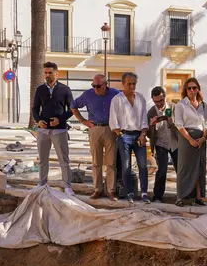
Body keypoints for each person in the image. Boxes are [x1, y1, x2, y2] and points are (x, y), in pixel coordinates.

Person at [72, 74, 120, 201]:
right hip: (95, 129)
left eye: (98, 86)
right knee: (96, 162)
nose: (96, 88)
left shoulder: (115, 94)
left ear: (106, 84)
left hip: (110, 129)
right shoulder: (88, 94)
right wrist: (83, 121)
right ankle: (97, 189)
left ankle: (111, 190)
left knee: (111, 162)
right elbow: (73, 105)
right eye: (93, 86)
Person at [32, 62, 75, 196]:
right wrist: (38, 121)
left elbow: (72, 109)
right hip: (43, 131)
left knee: (64, 160)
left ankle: (67, 186)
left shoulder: (65, 89)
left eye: (50, 73)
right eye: (45, 73)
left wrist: (60, 120)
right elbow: (35, 108)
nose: (47, 75)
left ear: (57, 74)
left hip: (59, 130)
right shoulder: (40, 89)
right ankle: (42, 183)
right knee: (42, 160)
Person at [109, 72, 150, 204]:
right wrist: (121, 135)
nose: (132, 86)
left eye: (134, 83)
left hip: (139, 135)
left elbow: (144, 119)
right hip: (124, 135)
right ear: (123, 84)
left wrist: (143, 134)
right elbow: (113, 122)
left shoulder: (141, 98)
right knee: (126, 166)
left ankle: (144, 193)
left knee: (143, 165)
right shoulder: (117, 99)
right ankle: (129, 193)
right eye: (129, 84)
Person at [174, 77, 207, 207]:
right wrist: (190, 139)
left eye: (194, 88)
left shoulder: (203, 105)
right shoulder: (180, 105)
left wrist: (203, 138)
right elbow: (179, 124)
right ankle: (180, 196)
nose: (192, 90)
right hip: (186, 138)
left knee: (199, 168)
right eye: (189, 88)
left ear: (198, 89)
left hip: (201, 138)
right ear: (186, 90)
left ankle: (198, 197)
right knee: (184, 168)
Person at [147, 86, 178, 202]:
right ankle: (157, 196)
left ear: (165, 97)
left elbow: (180, 127)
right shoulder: (151, 112)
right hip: (161, 143)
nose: (159, 103)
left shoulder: (174, 107)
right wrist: (151, 125)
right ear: (153, 100)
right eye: (156, 101)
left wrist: (172, 123)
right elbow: (149, 135)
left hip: (175, 142)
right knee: (162, 170)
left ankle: (183, 195)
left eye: (161, 100)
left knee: (180, 169)